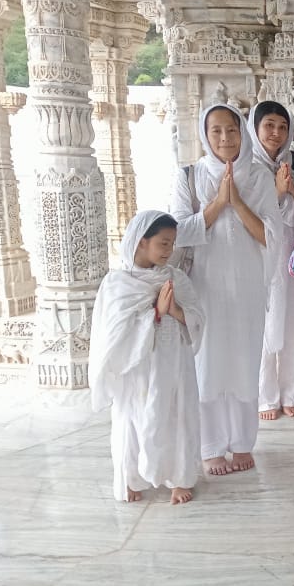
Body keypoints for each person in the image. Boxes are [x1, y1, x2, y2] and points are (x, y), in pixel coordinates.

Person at [171, 103, 282, 475]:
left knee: (243, 358)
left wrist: (236, 200)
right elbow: (179, 233)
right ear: (205, 134)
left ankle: (241, 442)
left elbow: (270, 235)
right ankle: (211, 445)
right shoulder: (189, 176)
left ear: (242, 132)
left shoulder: (260, 177)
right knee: (209, 362)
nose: (224, 138)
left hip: (247, 284)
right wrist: (219, 202)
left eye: (231, 130)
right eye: (215, 131)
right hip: (204, 284)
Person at [90, 211, 205, 504]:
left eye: (172, 244)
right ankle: (131, 479)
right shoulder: (117, 283)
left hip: (174, 361)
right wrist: (154, 313)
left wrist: (174, 311)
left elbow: (197, 318)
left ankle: (180, 478)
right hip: (137, 365)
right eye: (163, 243)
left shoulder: (176, 278)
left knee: (177, 414)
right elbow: (113, 335)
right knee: (133, 415)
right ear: (142, 242)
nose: (170, 250)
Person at [248, 100, 294, 422]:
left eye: (281, 127)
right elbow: (243, 212)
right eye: (269, 126)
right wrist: (276, 192)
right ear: (256, 128)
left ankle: (293, 393)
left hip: (293, 249)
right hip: (260, 251)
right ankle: (265, 396)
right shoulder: (245, 163)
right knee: (263, 323)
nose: (276, 133)